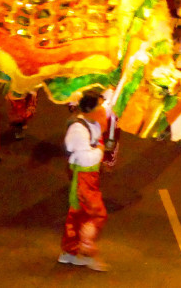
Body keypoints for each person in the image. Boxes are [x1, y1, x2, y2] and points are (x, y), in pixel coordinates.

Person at [59, 91, 109, 271]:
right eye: (100, 107)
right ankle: (87, 251)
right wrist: (100, 150)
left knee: (77, 215)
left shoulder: (89, 122)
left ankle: (70, 252)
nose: (103, 110)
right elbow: (86, 158)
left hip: (88, 176)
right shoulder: (78, 129)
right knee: (96, 214)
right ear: (90, 109)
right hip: (84, 178)